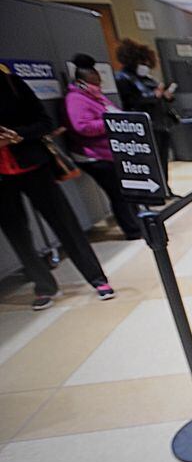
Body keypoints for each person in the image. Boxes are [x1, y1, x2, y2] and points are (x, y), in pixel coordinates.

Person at [1, 66, 115, 310]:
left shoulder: (11, 82)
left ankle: (97, 278)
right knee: (17, 233)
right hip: (2, 176)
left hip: (33, 166)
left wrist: (17, 135)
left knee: (65, 223)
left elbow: (44, 122)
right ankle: (43, 286)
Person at [64, 53, 142, 240]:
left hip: (112, 152)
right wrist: (111, 124)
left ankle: (138, 223)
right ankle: (132, 230)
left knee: (127, 191)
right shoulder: (75, 99)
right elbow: (82, 126)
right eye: (94, 80)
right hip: (95, 156)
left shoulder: (97, 97)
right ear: (82, 81)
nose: (97, 83)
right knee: (119, 194)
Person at [115, 39, 177, 195]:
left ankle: (164, 188)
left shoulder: (147, 79)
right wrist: (154, 96)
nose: (145, 65)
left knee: (162, 158)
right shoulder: (124, 78)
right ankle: (154, 192)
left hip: (160, 123)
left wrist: (165, 96)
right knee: (149, 161)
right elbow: (131, 101)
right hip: (144, 126)